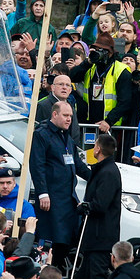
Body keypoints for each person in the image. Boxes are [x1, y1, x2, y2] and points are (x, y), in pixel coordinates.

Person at [31, 100, 90, 269]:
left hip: (67, 198)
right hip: (52, 197)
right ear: (54, 114)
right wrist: (43, 193)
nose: (69, 119)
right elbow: (37, 165)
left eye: (71, 116)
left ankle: (57, 271)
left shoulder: (66, 136)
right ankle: (48, 273)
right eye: (65, 115)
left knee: (66, 239)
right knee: (52, 239)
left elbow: (77, 163)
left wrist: (96, 176)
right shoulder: (42, 134)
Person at [78, 134, 122, 279]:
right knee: (88, 278)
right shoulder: (103, 170)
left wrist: (84, 206)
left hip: (101, 237)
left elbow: (101, 204)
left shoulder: (108, 172)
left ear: (98, 148)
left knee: (97, 278)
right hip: (96, 236)